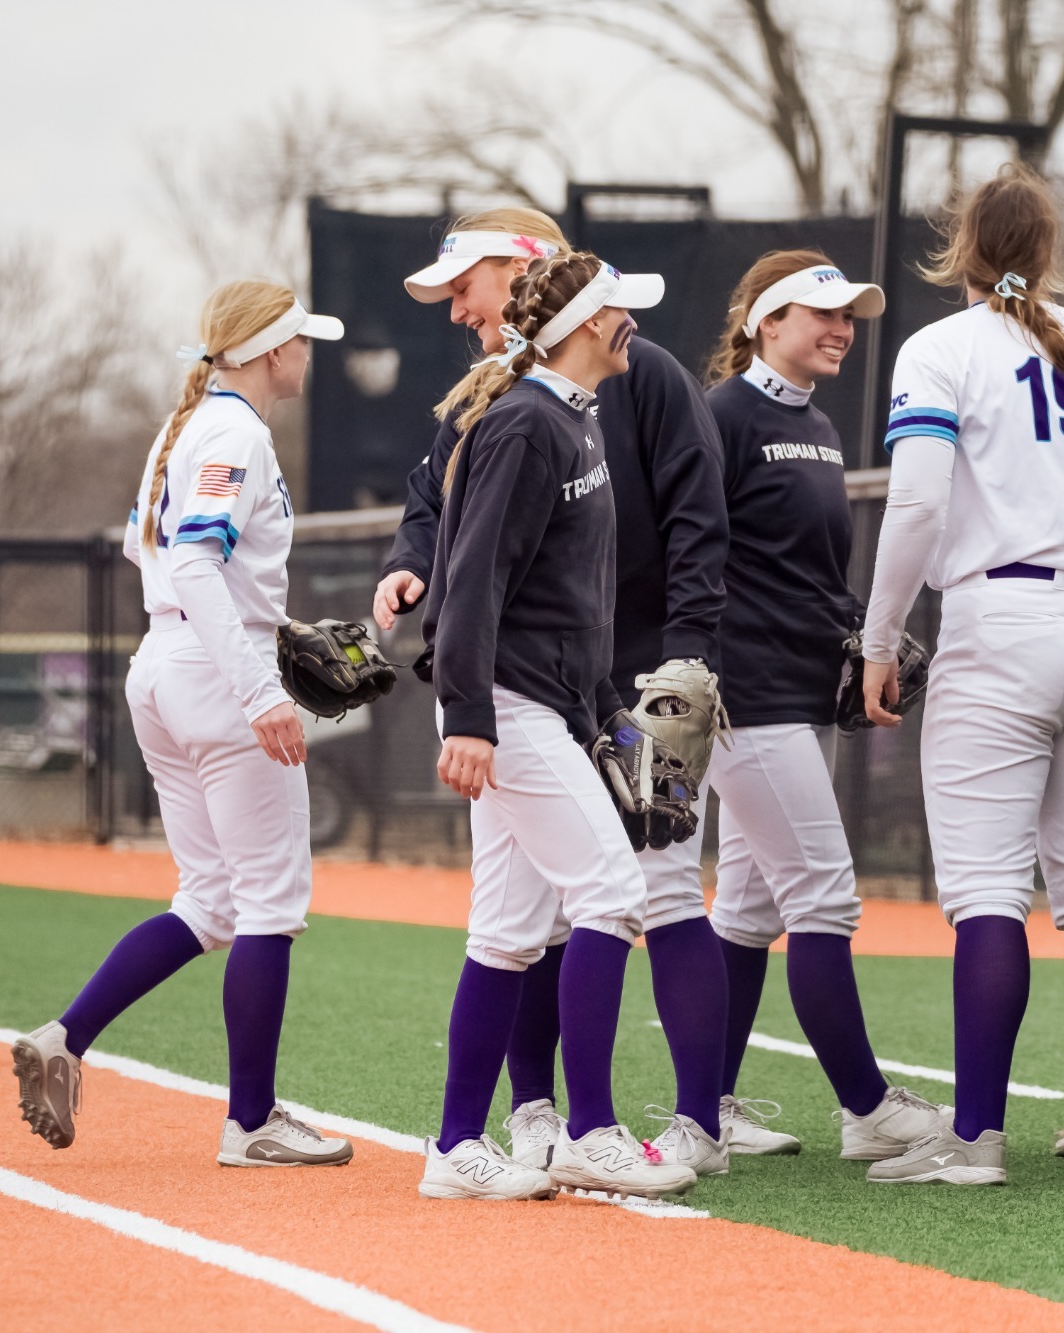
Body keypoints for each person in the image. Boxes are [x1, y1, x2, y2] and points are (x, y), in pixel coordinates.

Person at [377, 209, 737, 1168]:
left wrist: (605, 714)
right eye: (616, 309)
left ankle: (458, 1146)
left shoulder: (568, 416)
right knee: (614, 889)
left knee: (506, 930)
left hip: (553, 704)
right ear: (581, 321)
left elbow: (570, 596)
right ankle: (588, 1130)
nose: (631, 323)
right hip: (514, 703)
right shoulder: (528, 420)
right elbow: (470, 582)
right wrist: (468, 715)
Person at [856, 164, 1064, 1186]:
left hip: (1003, 621)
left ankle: (975, 1141)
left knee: (989, 892)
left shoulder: (939, 346)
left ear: (960, 247)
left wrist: (877, 637)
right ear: (1047, 251)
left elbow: (911, 505)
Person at [12, 281, 354, 1169]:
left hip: (162, 666)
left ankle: (66, 1035)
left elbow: (149, 550)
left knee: (208, 900)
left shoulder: (186, 424)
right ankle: (251, 1122)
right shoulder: (236, 430)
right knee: (271, 906)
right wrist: (260, 687)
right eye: (302, 340)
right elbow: (198, 560)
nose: (308, 353)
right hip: (214, 666)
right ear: (273, 349)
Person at [668, 250, 948, 1163]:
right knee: (824, 899)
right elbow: (694, 559)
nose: (841, 329)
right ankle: (865, 1107)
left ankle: (705, 1112)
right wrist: (702, 679)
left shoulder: (818, 423)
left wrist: (857, 633)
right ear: (761, 319)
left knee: (748, 910)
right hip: (748, 699)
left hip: (799, 692)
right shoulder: (721, 416)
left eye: (850, 318)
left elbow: (807, 572)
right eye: (818, 313)